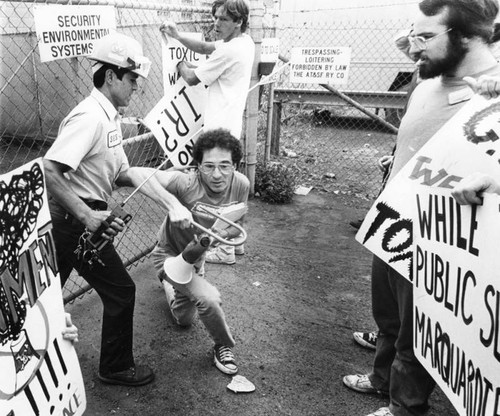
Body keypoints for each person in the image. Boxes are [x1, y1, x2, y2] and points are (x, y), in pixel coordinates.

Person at [342, 1, 500, 415]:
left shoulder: (497, 93)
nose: (413, 48)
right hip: (396, 222)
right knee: (389, 318)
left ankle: (404, 408)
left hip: (446, 241)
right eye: (413, 36)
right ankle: (381, 381)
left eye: (425, 37)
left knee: (421, 334)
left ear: (468, 36)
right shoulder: (427, 81)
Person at [43, 32, 192, 387]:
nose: (136, 86)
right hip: (75, 221)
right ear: (110, 76)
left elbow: (124, 172)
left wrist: (168, 192)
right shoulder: (90, 117)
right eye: (131, 78)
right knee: (121, 291)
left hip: (78, 219)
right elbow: (50, 169)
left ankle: (36, 348)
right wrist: (86, 216)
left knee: (46, 293)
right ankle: (114, 367)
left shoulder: (108, 117)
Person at [160, 0, 255, 265]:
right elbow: (204, 47)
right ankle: (235, 243)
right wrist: (177, 36)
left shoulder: (230, 51)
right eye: (215, 17)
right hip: (229, 125)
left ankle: (222, 249)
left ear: (239, 22)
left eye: (224, 19)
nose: (217, 23)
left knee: (213, 190)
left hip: (217, 128)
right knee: (231, 184)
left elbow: (190, 78)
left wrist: (179, 63)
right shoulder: (242, 43)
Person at [150, 128, 250, 375]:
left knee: (184, 319)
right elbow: (134, 174)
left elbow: (237, 227)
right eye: (209, 166)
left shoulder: (241, 184)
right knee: (208, 299)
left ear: (236, 165)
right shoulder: (185, 182)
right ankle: (223, 346)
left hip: (196, 255)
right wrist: (173, 203)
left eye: (225, 166)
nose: (217, 174)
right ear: (197, 166)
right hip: (168, 254)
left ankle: (168, 284)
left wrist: (218, 237)